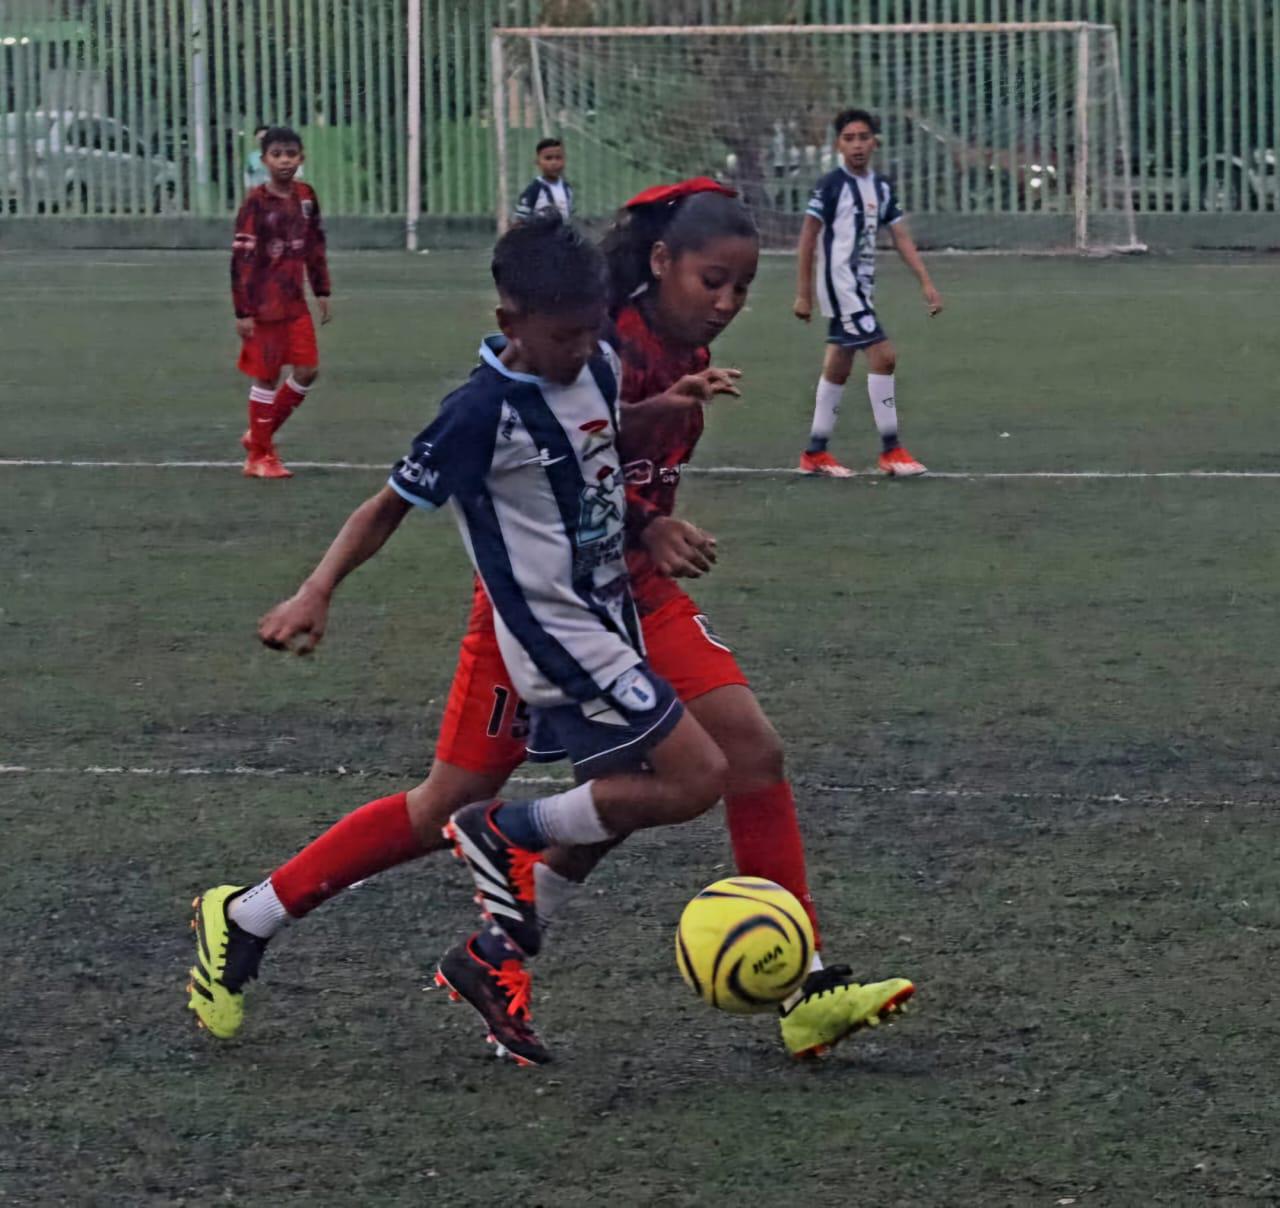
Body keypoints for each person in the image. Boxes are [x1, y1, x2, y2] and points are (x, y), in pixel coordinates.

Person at [190, 191, 914, 1064]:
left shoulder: (617, 348)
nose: (727, 302)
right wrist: (317, 590)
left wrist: (659, 444)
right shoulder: (583, 348)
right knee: (454, 804)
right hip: (537, 614)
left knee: (738, 757)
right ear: (659, 266)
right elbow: (501, 479)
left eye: (741, 287)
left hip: (624, 596)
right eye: (713, 280)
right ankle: (255, 915)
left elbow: (592, 447)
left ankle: (805, 986)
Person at [793, 108, 942, 479]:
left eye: (863, 137)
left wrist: (925, 281)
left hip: (861, 288)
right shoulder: (831, 186)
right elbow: (808, 237)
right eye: (849, 138)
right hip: (841, 286)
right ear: (837, 145)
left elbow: (900, 236)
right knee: (884, 356)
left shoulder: (882, 187)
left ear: (875, 142)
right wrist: (803, 293)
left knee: (839, 364)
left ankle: (815, 452)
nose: (857, 145)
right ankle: (891, 450)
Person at [231, 125, 332, 480]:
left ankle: (259, 433)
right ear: (264, 160)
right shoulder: (255, 203)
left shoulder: (305, 196)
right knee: (267, 376)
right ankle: (259, 456)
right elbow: (241, 259)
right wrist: (243, 310)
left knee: (307, 370)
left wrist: (321, 289)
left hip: (294, 303)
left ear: (301, 158)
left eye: (291, 154)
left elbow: (314, 244)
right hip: (264, 306)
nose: (284, 161)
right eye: (277, 155)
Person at [514, 137, 573, 223]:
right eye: (548, 158)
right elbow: (520, 220)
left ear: (564, 161)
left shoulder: (567, 188)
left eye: (558, 158)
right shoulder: (534, 189)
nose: (554, 163)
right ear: (537, 162)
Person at [243, 125, 269, 190]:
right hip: (258, 191)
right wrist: (249, 188)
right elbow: (247, 174)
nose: (262, 141)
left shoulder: (278, 154)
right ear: (256, 139)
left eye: (265, 138)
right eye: (260, 139)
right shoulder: (252, 156)